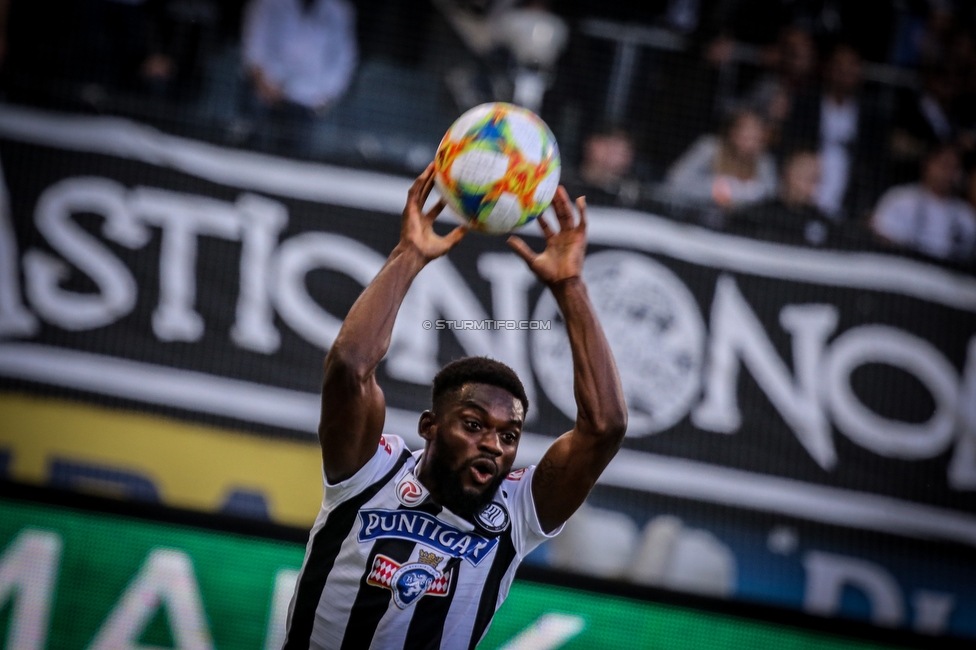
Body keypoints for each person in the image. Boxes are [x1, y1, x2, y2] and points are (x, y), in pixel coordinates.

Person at [281, 164, 628, 649]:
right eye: (473, 424)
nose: (493, 444)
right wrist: (409, 255)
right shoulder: (368, 472)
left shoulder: (518, 512)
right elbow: (349, 365)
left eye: (509, 436)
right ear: (429, 426)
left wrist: (569, 286)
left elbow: (605, 427)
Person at [237, 0, 358, 152]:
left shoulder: (339, 10)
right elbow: (254, 44)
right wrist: (263, 82)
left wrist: (325, 94)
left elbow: (343, 60)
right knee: (255, 145)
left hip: (308, 102)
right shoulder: (268, 3)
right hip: (268, 92)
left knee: (297, 152)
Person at [871, 144, 976, 264]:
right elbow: (881, 243)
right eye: (944, 165)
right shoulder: (900, 199)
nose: (948, 174)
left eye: (955, 168)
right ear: (928, 164)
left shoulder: (966, 215)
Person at [664, 109, 777, 211]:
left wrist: (738, 203)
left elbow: (770, 198)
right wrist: (715, 194)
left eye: (755, 136)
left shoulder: (763, 161)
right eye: (746, 134)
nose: (751, 142)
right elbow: (675, 183)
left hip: (739, 226)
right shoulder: (709, 148)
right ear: (732, 132)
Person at [727, 149, 836, 247]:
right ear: (789, 175)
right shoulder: (755, 216)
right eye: (808, 179)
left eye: (817, 180)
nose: (813, 188)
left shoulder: (826, 227)